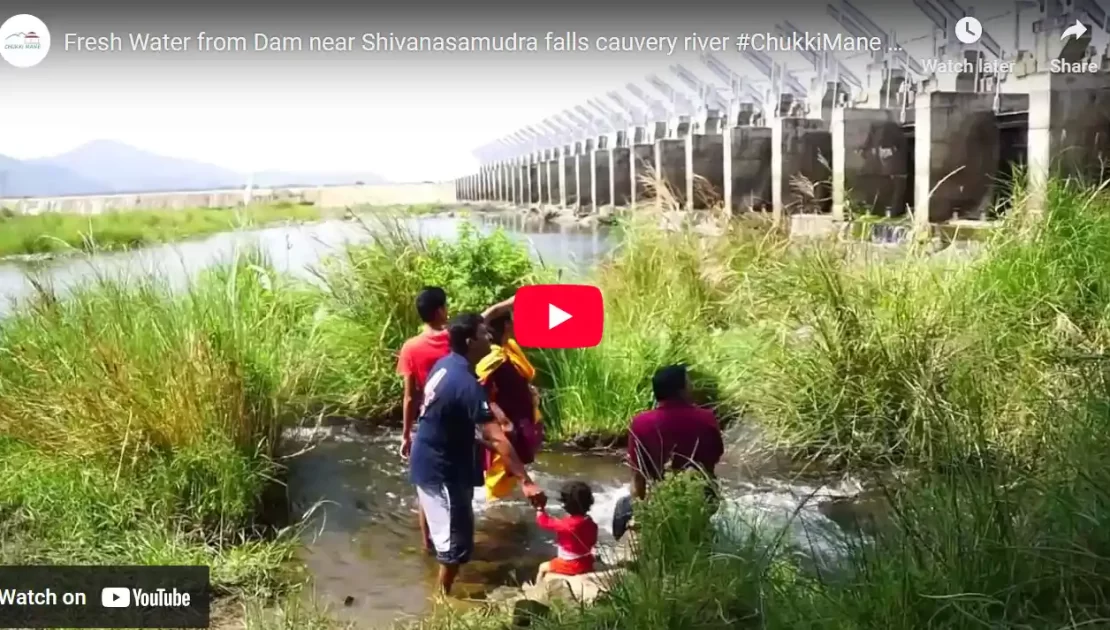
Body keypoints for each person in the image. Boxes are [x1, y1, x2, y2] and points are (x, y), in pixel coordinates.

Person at [409, 312, 547, 596]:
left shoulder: (445, 366)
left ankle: (437, 585)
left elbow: (451, 420)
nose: (489, 337)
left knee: (449, 534)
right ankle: (442, 603)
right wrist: (526, 481)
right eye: (484, 334)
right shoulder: (465, 383)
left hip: (432, 460)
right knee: (456, 546)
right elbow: (495, 436)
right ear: (471, 341)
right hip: (441, 469)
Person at [397, 287, 514, 552]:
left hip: (431, 419)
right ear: (440, 310)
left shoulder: (410, 347)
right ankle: (459, 543)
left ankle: (429, 546)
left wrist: (406, 434)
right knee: (462, 484)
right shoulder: (454, 336)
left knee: (427, 490)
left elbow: (409, 396)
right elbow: (483, 319)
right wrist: (509, 302)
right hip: (463, 413)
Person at [627, 364, 724, 502]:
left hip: (660, 500)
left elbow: (638, 476)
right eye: (689, 383)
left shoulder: (640, 422)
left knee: (622, 505)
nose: (692, 387)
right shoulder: (706, 418)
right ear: (681, 390)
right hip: (701, 500)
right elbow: (714, 458)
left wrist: (640, 513)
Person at [476, 313, 544, 502]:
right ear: (506, 324)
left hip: (520, 416)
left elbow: (523, 376)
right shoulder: (493, 356)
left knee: (512, 466)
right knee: (500, 468)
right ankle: (493, 513)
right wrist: (503, 420)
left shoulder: (509, 348)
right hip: (506, 422)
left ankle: (505, 502)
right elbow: (481, 392)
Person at [536, 480, 599, 580]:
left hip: (571, 564)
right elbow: (592, 541)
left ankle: (537, 591)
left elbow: (543, 521)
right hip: (587, 561)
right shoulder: (590, 522)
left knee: (542, 567)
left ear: (567, 505)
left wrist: (540, 508)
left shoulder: (566, 525)